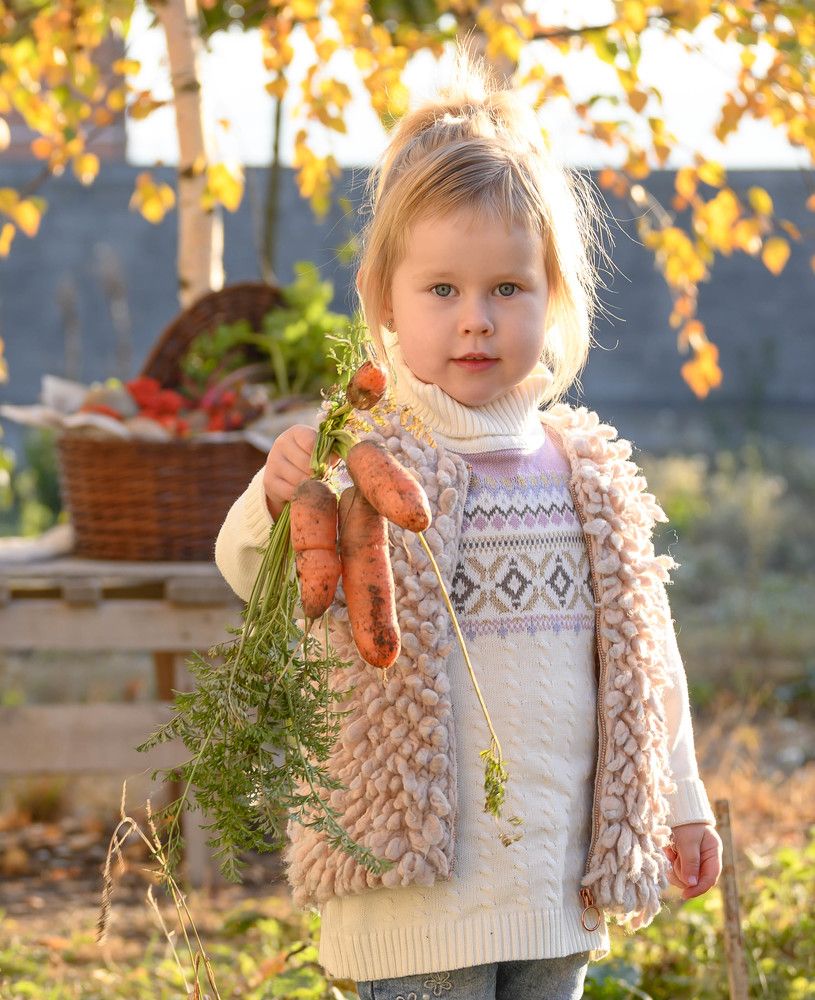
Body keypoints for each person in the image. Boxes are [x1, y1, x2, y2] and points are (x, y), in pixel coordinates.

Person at [214, 37, 723, 1000]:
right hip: (410, 897)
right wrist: (274, 496)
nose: (475, 320)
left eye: (506, 290)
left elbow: (646, 662)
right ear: (385, 304)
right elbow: (251, 570)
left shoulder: (587, 476)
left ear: (553, 298)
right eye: (441, 290)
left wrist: (681, 801)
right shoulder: (366, 461)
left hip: (552, 884)